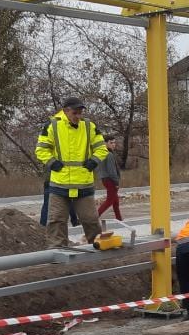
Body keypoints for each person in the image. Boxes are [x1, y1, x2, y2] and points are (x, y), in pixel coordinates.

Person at [35, 97, 108, 248]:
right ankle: (57, 252)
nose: (79, 116)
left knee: (91, 220)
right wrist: (52, 163)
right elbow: (41, 149)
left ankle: (99, 249)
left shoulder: (89, 126)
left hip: (83, 185)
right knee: (56, 220)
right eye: (75, 113)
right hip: (59, 184)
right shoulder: (52, 125)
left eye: (81, 113)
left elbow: (101, 148)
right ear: (66, 111)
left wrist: (93, 161)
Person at [96, 134, 124, 226]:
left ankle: (119, 219)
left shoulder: (101, 153)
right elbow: (112, 171)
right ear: (105, 143)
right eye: (111, 143)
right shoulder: (109, 155)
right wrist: (116, 182)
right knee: (110, 201)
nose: (113, 144)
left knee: (115, 201)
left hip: (104, 179)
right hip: (110, 180)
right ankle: (94, 218)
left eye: (114, 143)